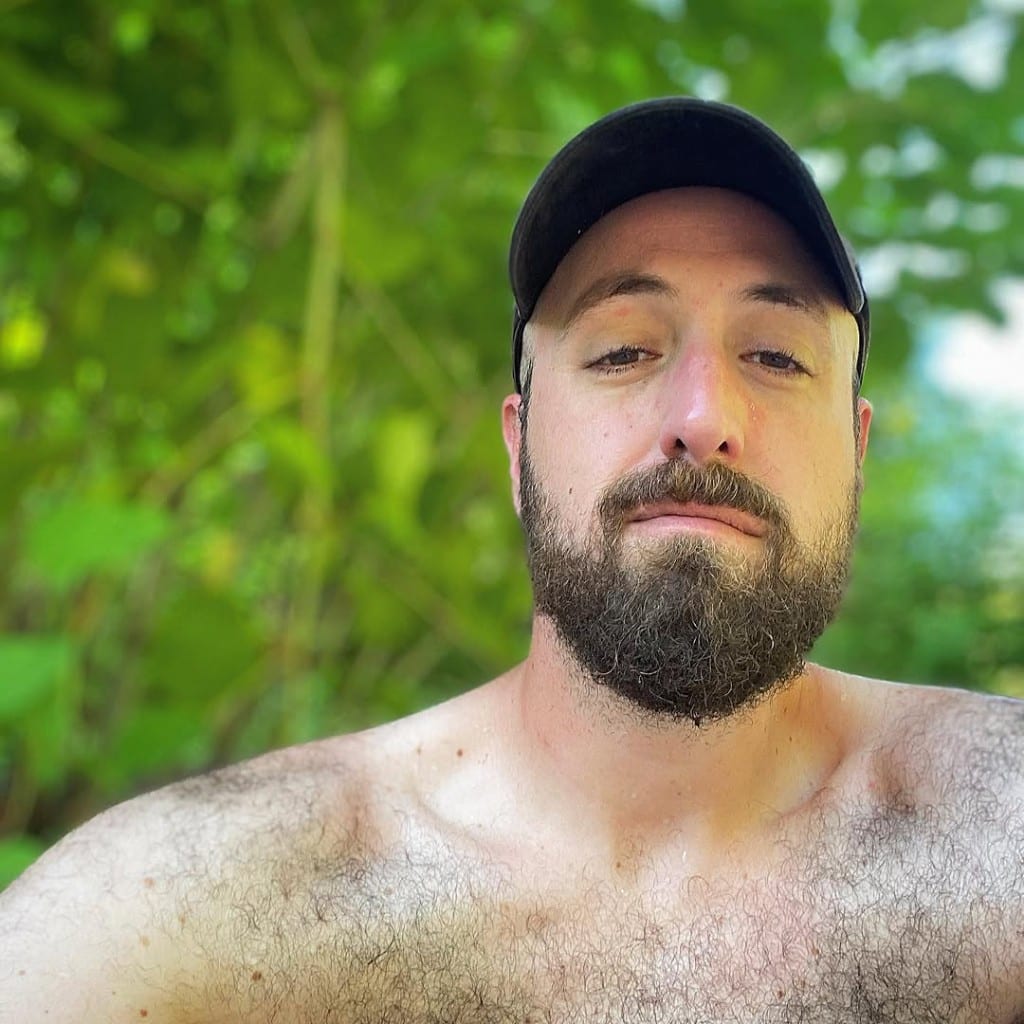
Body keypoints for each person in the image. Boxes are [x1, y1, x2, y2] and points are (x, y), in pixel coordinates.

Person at [1, 96, 1022, 1023]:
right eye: (623, 350)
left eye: (775, 355)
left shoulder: (992, 834)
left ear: (856, 452)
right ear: (516, 441)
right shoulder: (208, 904)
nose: (703, 418)